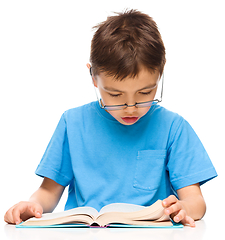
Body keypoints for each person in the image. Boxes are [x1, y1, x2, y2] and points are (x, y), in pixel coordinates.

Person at [4, 9, 217, 228]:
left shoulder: (173, 128)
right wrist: (31, 205)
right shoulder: (73, 123)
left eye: (145, 93)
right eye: (115, 95)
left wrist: (183, 209)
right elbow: (48, 191)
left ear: (159, 75)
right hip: (84, 233)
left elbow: (196, 201)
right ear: (94, 78)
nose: (131, 107)